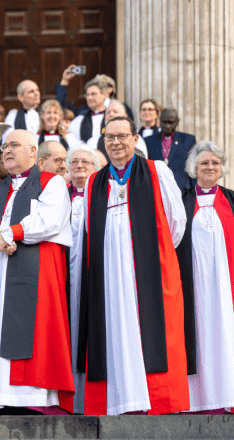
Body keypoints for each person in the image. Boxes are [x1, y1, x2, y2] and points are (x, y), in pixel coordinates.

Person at [78, 116, 188, 415]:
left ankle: (153, 401)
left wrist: (153, 255)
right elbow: (90, 227)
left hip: (148, 271)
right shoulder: (94, 181)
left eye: (122, 136)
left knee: (151, 332)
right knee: (112, 330)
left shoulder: (157, 171)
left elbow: (176, 222)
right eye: (110, 137)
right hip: (109, 275)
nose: (116, 143)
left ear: (135, 139)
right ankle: (120, 402)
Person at [0, 129, 74, 414]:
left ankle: (31, 396)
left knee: (33, 330)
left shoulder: (52, 183)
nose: (7, 151)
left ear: (33, 152)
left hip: (34, 273)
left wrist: (10, 233)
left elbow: (49, 220)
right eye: (4, 147)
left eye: (14, 145)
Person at [175, 141, 234, 414]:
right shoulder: (182, 202)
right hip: (193, 286)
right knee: (197, 337)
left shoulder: (232, 200)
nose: (210, 167)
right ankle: (198, 401)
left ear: (221, 168)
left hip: (226, 285)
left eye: (215, 163)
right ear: (193, 168)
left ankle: (227, 396)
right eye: (204, 163)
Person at [65, 145, 100, 414]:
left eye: (86, 162)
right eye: (74, 162)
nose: (79, 166)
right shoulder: (57, 197)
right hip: (62, 279)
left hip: (92, 277)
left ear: (96, 168)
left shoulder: (101, 196)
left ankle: (90, 399)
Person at [144, 107, 196, 191]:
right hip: (156, 191)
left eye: (171, 122)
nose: (167, 126)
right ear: (160, 121)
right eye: (164, 122)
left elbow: (193, 168)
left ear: (177, 122)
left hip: (182, 192)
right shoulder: (148, 141)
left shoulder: (188, 140)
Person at [67, 79, 108, 147]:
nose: (89, 98)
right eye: (87, 94)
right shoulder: (80, 119)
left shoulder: (112, 117)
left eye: (93, 94)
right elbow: (72, 144)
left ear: (104, 95)